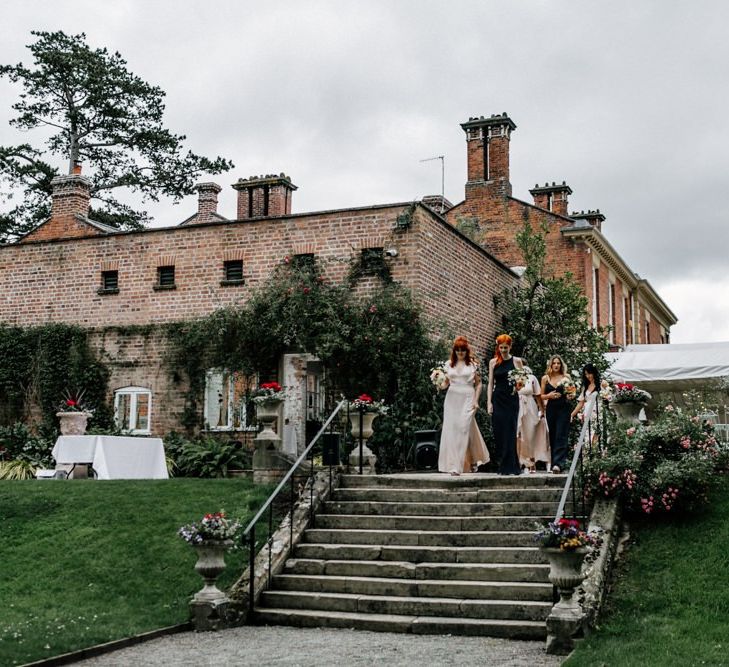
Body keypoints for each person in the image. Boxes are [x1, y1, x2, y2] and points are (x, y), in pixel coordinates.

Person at [437, 336, 490, 476]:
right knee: (452, 431)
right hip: (452, 399)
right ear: (454, 351)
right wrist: (438, 383)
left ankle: (459, 465)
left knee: (463, 429)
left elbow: (478, 384)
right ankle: (456, 464)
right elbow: (445, 384)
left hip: (468, 397)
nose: (460, 353)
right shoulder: (449, 365)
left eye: (463, 350)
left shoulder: (472, 365)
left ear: (467, 351)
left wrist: (476, 400)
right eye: (458, 350)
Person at [487, 334, 523, 475]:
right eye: (501, 347)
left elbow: (522, 380)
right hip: (498, 398)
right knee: (499, 432)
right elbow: (490, 383)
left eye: (505, 348)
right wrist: (489, 402)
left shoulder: (517, 361)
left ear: (510, 347)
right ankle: (503, 464)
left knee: (510, 431)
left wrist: (518, 386)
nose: (503, 350)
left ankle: (511, 467)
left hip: (511, 399)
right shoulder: (493, 362)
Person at [541, 355, 571, 474]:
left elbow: (572, 392)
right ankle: (555, 463)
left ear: (561, 365)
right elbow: (541, 395)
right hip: (551, 409)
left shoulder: (566, 377)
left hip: (564, 408)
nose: (556, 365)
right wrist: (549, 396)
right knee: (553, 435)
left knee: (561, 435)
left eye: (558, 363)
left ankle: (558, 464)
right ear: (551, 365)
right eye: (554, 363)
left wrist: (570, 395)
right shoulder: (545, 378)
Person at [517, 366, 549, 473]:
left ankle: (532, 461)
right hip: (517, 406)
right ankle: (519, 462)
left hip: (530, 406)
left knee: (530, 434)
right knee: (518, 434)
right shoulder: (514, 378)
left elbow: (538, 395)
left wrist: (542, 410)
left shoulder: (532, 378)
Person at [571, 363, 603, 442]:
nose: (588, 376)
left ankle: (598, 453)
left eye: (589, 373)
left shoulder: (601, 384)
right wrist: (571, 415)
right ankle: (589, 453)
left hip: (598, 412)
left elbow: (607, 396)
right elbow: (581, 403)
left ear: (594, 373)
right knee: (588, 435)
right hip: (587, 413)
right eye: (586, 374)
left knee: (597, 435)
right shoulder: (585, 387)